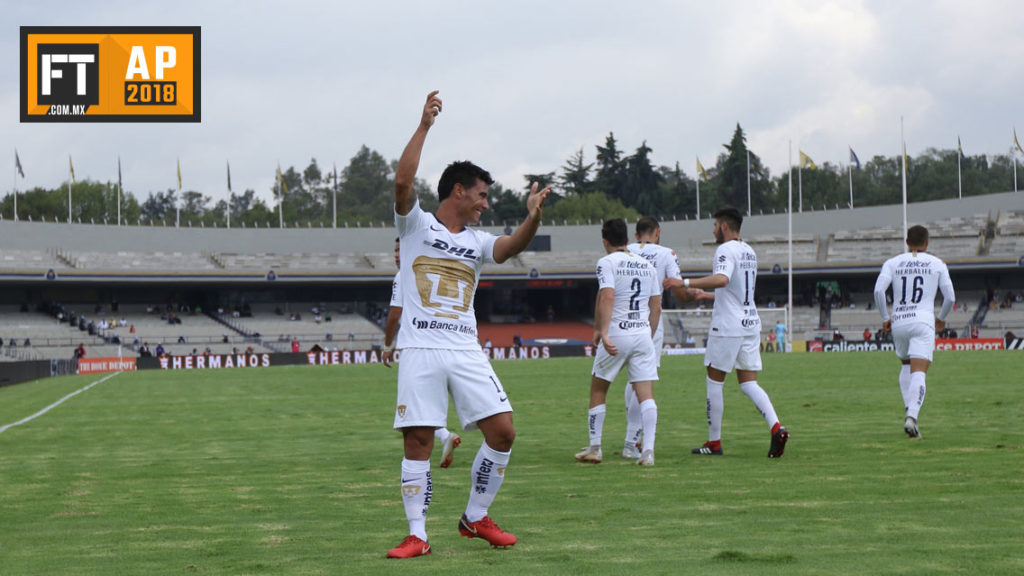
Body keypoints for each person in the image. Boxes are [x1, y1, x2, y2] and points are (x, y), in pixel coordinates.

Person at [385, 91, 551, 559]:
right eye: (481, 194)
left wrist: (532, 217)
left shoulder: (477, 241)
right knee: (418, 440)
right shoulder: (415, 226)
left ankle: (474, 518)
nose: (484, 203)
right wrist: (424, 126)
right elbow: (401, 181)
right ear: (458, 191)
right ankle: (417, 534)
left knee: (503, 431)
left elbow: (511, 247)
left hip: (464, 349)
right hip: (420, 349)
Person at [664, 207, 789, 458]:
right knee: (749, 382)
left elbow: (722, 279)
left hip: (728, 325)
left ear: (723, 226)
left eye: (714, 225)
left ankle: (714, 442)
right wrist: (707, 295)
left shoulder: (725, 249)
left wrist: (684, 282)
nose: (713, 230)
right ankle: (777, 427)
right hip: (750, 322)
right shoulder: (749, 251)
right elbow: (735, 289)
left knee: (714, 380)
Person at [620, 216, 710, 459]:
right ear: (657, 232)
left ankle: (628, 439)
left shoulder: (624, 250)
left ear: (636, 234)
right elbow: (679, 292)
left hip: (621, 320)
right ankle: (632, 441)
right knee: (643, 380)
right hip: (650, 321)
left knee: (628, 381)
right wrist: (694, 294)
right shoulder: (666, 254)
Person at [574, 219, 662, 466]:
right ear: (627, 239)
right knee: (646, 395)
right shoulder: (646, 265)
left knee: (598, 389)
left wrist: (602, 332)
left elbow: (607, 296)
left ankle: (595, 447)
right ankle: (648, 451)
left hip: (617, 334)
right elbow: (656, 306)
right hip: (643, 335)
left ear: (605, 241)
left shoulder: (606, 262)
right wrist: (649, 334)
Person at [382, 236, 462, 470]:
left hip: (419, 351)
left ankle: (431, 449)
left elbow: (394, 314)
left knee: (415, 410)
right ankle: (447, 435)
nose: (397, 254)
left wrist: (388, 345)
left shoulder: (404, 275)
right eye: (395, 250)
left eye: (401, 249)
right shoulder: (435, 269)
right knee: (431, 401)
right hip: (450, 345)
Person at [873, 224, 955, 438]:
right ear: (927, 242)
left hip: (899, 321)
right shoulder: (937, 264)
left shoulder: (892, 263)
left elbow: (878, 291)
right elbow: (951, 298)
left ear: (907, 242)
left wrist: (885, 317)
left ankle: (910, 411)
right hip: (922, 321)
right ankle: (912, 417)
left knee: (906, 366)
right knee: (919, 370)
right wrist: (942, 318)